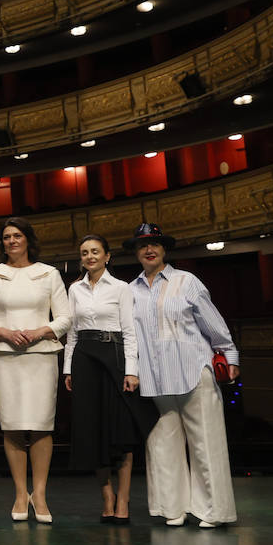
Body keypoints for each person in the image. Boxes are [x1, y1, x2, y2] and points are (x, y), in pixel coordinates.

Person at [125, 223, 239, 528]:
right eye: (143, 245)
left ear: (164, 249)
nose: (149, 250)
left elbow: (214, 324)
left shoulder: (187, 282)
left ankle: (213, 511)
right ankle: (172, 508)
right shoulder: (130, 290)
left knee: (205, 443)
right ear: (136, 252)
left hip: (192, 371)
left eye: (155, 244)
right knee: (162, 444)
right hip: (154, 379)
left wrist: (230, 356)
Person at [0, 216, 71, 524]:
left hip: (41, 355)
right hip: (5, 357)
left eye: (17, 235)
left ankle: (39, 494)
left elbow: (65, 319)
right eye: (6, 237)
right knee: (13, 424)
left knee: (42, 424)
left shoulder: (49, 274)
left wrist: (40, 331)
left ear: (28, 239)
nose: (12, 241)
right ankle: (20, 493)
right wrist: (4, 332)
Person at [64, 233, 158, 525]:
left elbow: (130, 332)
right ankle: (106, 497)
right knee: (93, 431)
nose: (89, 256)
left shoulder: (121, 288)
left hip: (115, 358)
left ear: (107, 256)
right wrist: (68, 369)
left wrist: (132, 370)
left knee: (121, 431)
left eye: (95, 251)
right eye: (84, 252)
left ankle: (124, 500)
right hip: (84, 359)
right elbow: (71, 333)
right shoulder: (75, 289)